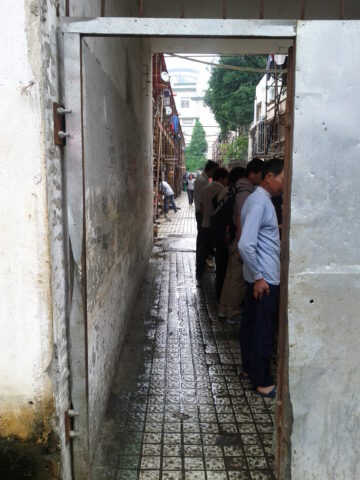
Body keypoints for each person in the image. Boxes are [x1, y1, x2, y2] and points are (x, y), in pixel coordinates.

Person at [238, 158, 284, 398]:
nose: (284, 185)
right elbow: (245, 244)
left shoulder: (259, 200)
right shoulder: (259, 203)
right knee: (263, 330)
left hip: (259, 276)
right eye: (282, 178)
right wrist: (258, 278)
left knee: (252, 325)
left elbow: (258, 233)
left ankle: (248, 369)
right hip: (263, 279)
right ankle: (261, 380)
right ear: (269, 177)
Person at [219, 158, 264, 324]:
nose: (262, 178)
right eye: (261, 174)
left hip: (236, 239)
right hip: (240, 240)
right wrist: (243, 241)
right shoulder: (245, 192)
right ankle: (233, 312)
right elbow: (240, 217)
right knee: (237, 279)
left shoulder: (240, 188)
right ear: (253, 174)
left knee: (231, 276)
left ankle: (224, 308)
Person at [196, 167, 228, 285]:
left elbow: (201, 205)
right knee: (219, 252)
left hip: (205, 223)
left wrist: (206, 216)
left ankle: (198, 272)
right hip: (217, 226)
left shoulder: (205, 188)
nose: (226, 181)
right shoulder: (223, 189)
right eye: (226, 179)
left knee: (203, 249)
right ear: (221, 178)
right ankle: (219, 276)